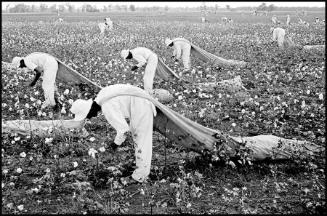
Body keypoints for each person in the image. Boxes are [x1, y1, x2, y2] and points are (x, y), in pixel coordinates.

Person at [70, 84, 157, 184]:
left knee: (141, 139)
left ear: (89, 110)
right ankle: (140, 165)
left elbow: (123, 130)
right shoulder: (101, 96)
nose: (90, 117)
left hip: (142, 104)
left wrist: (114, 145)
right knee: (137, 135)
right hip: (140, 100)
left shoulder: (107, 106)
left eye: (88, 115)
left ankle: (140, 176)